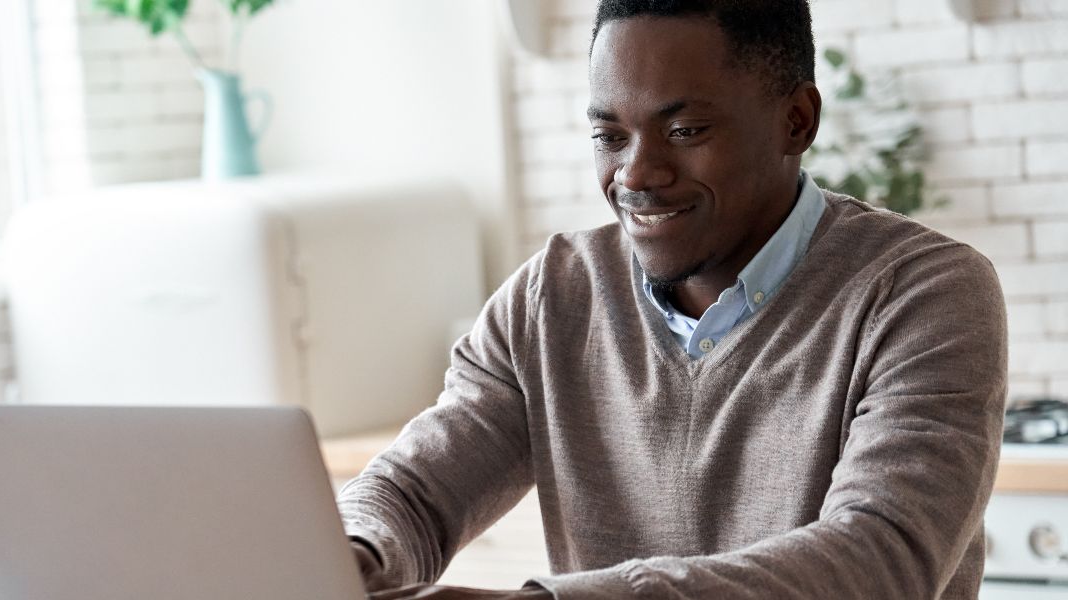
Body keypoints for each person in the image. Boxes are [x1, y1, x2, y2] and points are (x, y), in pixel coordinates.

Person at [337, 1, 1008, 598]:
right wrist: (350, 555)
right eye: (609, 136)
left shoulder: (923, 294)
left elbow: (881, 560)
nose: (636, 173)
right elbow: (414, 494)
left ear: (797, 122)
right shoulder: (553, 297)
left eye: (685, 131)